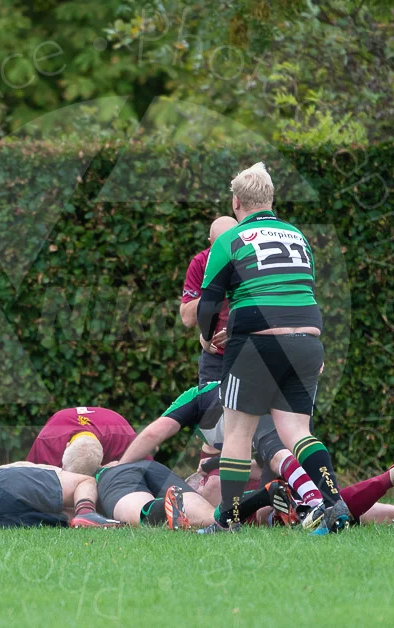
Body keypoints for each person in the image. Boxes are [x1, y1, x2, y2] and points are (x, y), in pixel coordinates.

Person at [197, 162, 344, 534]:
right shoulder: (298, 235)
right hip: (307, 341)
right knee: (297, 431)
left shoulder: (230, 240)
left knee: (237, 435)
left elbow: (209, 302)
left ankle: (227, 521)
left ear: (236, 202)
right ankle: (333, 502)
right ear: (271, 199)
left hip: (255, 345)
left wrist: (205, 334)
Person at [116, 381, 325, 527]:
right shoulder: (222, 420)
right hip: (292, 430)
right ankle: (295, 510)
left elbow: (154, 433)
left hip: (271, 414)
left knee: (222, 481)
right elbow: (263, 468)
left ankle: (315, 502)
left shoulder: (197, 397)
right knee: (266, 505)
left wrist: (120, 467)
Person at [180, 215, 238, 384]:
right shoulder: (200, 262)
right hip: (215, 358)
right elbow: (187, 319)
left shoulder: (252, 259)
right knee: (212, 409)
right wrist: (214, 289)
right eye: (219, 246)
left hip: (250, 351)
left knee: (254, 410)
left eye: (231, 244)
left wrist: (238, 327)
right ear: (210, 242)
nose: (225, 252)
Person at [92, 460, 218, 529]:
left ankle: (160, 508)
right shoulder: (115, 423)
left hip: (112, 474)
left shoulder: (86, 476)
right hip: (152, 465)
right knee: (207, 516)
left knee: (139, 510)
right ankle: (222, 518)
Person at [25, 406, 138, 476]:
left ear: (101, 463)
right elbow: (28, 477)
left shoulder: (122, 435)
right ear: (67, 446)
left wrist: (120, 465)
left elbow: (148, 469)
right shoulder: (47, 441)